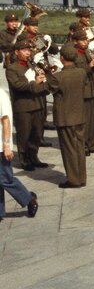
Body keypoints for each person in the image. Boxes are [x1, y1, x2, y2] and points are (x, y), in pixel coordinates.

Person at [5, 40, 49, 170]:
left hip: (37, 103)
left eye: (29, 50)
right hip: (23, 105)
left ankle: (34, 156)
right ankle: (24, 160)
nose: (27, 52)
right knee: (24, 133)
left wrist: (42, 78)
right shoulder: (12, 68)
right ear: (17, 52)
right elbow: (17, 85)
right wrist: (34, 83)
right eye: (24, 50)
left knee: (37, 133)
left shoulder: (32, 65)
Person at [47, 52, 87, 188]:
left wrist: (42, 77)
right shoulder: (82, 72)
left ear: (62, 58)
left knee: (69, 149)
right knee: (79, 148)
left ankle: (73, 180)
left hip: (65, 117)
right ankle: (81, 178)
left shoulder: (58, 77)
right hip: (79, 115)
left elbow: (46, 88)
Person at [0, 85, 38, 223]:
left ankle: (28, 198)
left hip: (1, 146)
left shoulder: (1, 95)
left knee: (5, 179)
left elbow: (6, 121)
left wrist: (7, 145)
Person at [62, 29, 94, 155]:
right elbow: (75, 72)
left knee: (93, 119)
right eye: (83, 40)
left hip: (92, 88)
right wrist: (89, 66)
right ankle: (83, 144)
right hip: (82, 90)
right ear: (76, 41)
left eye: (86, 40)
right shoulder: (73, 54)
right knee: (84, 119)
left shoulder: (88, 52)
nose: (86, 42)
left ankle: (92, 143)